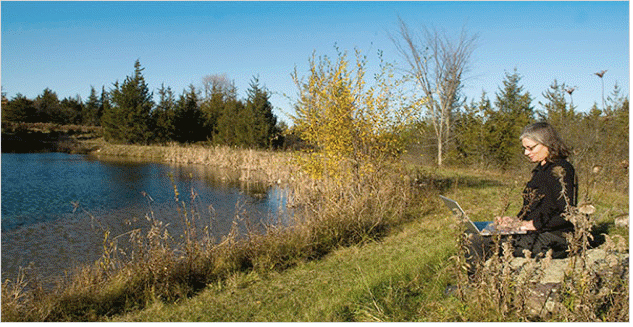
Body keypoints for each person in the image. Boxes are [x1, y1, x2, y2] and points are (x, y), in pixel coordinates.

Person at [466, 122, 577, 268]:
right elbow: (537, 208)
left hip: (555, 238)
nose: (526, 153)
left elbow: (566, 213)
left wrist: (532, 224)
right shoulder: (541, 169)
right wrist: (515, 222)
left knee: (476, 240)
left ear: (547, 143)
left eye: (530, 148)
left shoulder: (561, 170)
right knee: (473, 230)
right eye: (525, 148)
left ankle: (474, 286)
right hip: (539, 231)